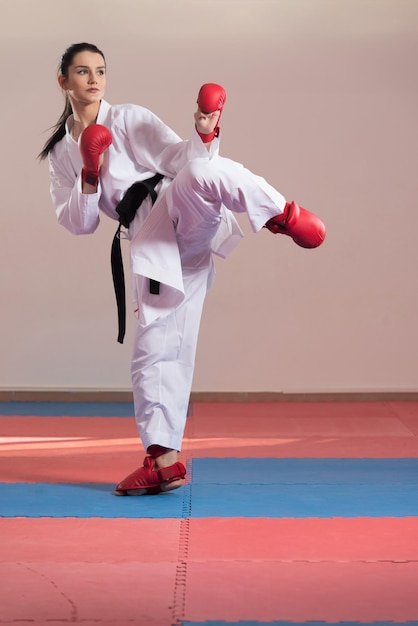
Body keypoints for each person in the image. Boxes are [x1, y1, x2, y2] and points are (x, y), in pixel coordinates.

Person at [39, 42, 325, 497]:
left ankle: (280, 214)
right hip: (150, 241)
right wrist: (89, 173)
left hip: (179, 209)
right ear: (63, 81)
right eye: (82, 71)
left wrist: (204, 134)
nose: (93, 79)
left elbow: (178, 159)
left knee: (196, 172)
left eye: (100, 70)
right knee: (155, 350)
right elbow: (80, 223)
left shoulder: (128, 118)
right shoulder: (60, 154)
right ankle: (162, 460)